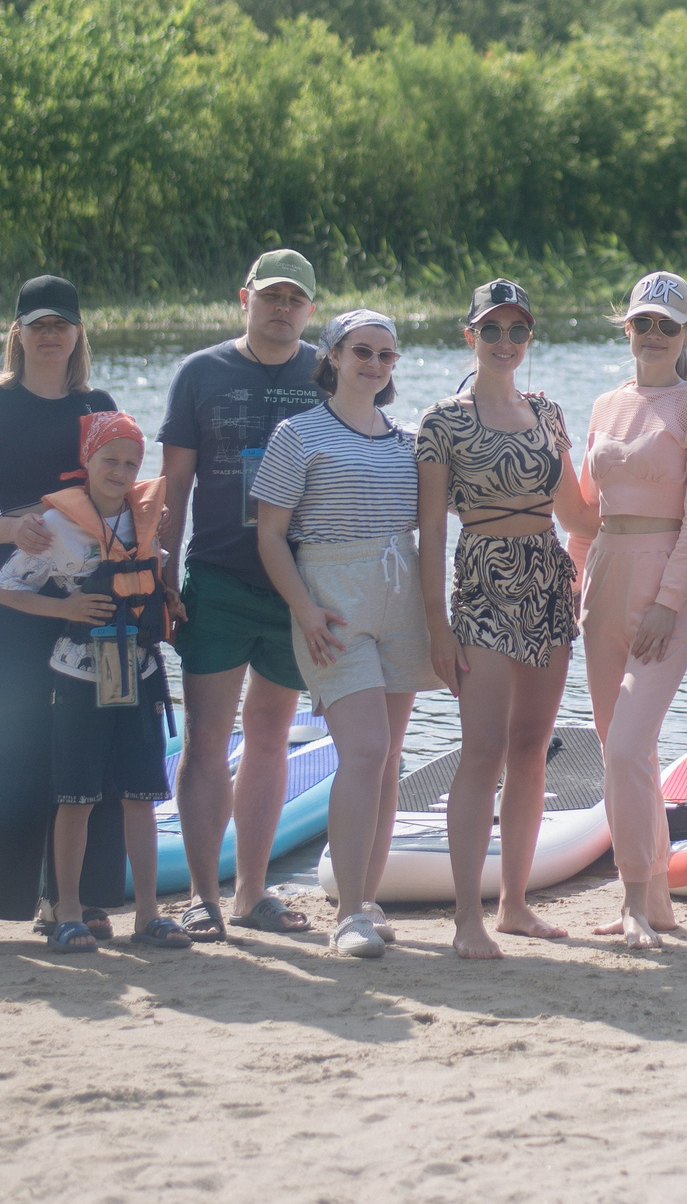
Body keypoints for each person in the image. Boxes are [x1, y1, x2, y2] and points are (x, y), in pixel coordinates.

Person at [0, 276, 128, 947]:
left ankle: (78, 897)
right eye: (38, 323)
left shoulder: (97, 405)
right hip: (18, 594)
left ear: (78, 333)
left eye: (62, 323)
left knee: (93, 743)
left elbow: (124, 488)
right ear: (18, 332)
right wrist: (11, 530)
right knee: (20, 742)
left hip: (96, 591)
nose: (50, 334)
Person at [416, 279, 597, 961]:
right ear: (470, 336)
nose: (504, 342)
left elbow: (578, 513)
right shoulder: (443, 419)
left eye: (516, 330)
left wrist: (652, 506)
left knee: (530, 750)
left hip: (548, 580)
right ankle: (468, 917)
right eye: (491, 330)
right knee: (482, 750)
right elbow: (431, 531)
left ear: (528, 339)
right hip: (483, 585)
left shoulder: (547, 411)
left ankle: (515, 904)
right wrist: (437, 624)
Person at [252, 311, 439, 959]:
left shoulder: (407, 439)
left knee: (387, 757)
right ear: (332, 355)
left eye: (387, 355)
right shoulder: (297, 435)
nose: (376, 364)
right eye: (363, 351)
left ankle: (366, 895)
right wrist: (304, 609)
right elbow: (271, 534)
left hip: (399, 598)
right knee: (362, 750)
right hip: (333, 605)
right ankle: (348, 914)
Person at [156, 249, 323, 941]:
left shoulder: (328, 368)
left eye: (295, 299)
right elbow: (174, 486)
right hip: (218, 579)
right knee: (204, 742)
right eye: (270, 296)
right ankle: (202, 896)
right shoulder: (200, 372)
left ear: (309, 309)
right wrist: (161, 573)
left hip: (297, 582)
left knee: (270, 736)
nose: (282, 308)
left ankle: (253, 891)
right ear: (244, 298)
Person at [0, 413, 188, 951]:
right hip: (79, 672)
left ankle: (148, 915)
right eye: (110, 460)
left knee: (142, 796)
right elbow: (5, 589)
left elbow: (158, 576)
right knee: (75, 797)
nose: (121, 472)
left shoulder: (147, 519)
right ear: (89, 462)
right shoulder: (55, 527)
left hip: (141, 672)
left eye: (131, 463)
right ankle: (68, 912)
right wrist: (66, 606)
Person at [571, 271, 687, 950]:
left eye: (668, 323)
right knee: (620, 750)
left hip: (663, 586)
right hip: (601, 583)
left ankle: (633, 896)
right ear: (626, 328)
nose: (654, 334)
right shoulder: (605, 404)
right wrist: (574, 581)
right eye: (643, 322)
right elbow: (584, 507)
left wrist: (669, 599)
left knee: (630, 744)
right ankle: (656, 894)